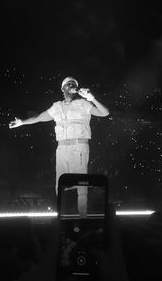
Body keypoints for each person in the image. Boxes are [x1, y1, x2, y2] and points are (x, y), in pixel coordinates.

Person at [9, 76, 109, 215]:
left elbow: (105, 113)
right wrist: (22, 122)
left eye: (74, 84)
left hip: (79, 147)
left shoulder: (83, 104)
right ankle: (61, 214)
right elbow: (38, 118)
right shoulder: (56, 107)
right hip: (62, 149)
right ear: (63, 88)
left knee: (81, 184)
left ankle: (82, 215)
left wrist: (91, 98)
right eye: (69, 84)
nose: (72, 85)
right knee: (61, 183)